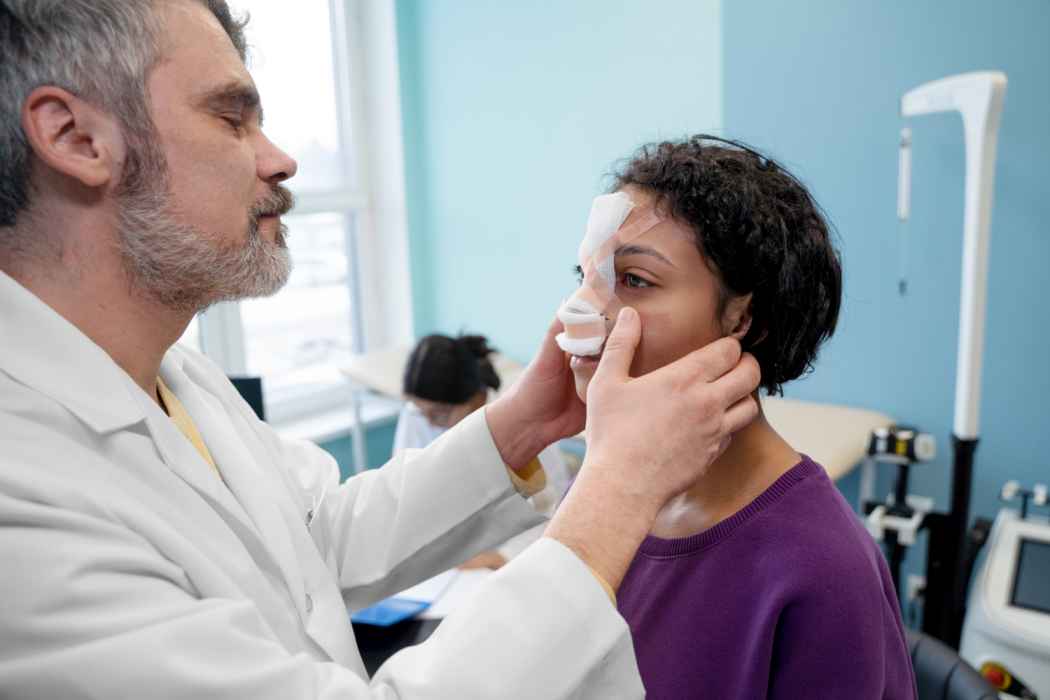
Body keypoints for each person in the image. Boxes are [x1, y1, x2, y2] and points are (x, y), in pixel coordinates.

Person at [0, 3, 761, 698]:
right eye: (231, 119)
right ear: (75, 139)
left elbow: (315, 541)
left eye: (637, 280)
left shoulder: (173, 378)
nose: (280, 159)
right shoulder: (22, 503)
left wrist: (526, 422)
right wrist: (618, 487)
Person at [563, 136, 916, 699]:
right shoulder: (598, 496)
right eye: (584, 275)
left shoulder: (824, 571)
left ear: (742, 320)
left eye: (634, 280)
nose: (580, 310)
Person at [395, 333, 573, 569]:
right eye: (421, 413)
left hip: (512, 552)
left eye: (440, 414)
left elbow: (549, 508)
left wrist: (502, 557)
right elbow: (406, 488)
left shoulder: (520, 422)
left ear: (477, 399)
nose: (429, 423)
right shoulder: (417, 415)